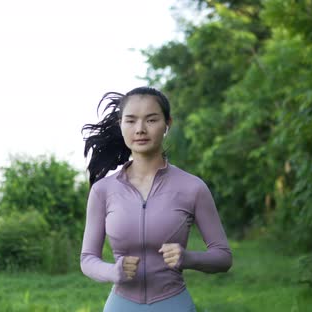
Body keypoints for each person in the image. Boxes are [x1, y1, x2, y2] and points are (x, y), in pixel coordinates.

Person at [80, 86, 232, 312]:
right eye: (131, 121)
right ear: (120, 125)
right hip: (121, 305)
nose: (140, 129)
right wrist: (114, 271)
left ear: (167, 124)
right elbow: (88, 259)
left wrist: (187, 258)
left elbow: (223, 257)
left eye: (151, 120)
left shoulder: (193, 187)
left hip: (174, 303)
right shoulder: (103, 190)